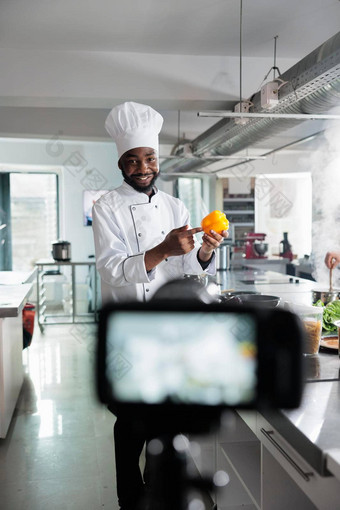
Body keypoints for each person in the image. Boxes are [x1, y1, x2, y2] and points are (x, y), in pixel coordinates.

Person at [92, 101, 228, 510]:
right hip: (129, 332)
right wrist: (163, 247)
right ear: (121, 164)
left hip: (169, 329)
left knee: (165, 420)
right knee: (130, 423)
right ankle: (129, 500)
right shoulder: (106, 207)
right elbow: (114, 269)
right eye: (132, 161)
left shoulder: (174, 207)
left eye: (148, 158)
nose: (142, 167)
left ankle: (159, 495)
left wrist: (203, 250)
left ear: (157, 158)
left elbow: (188, 268)